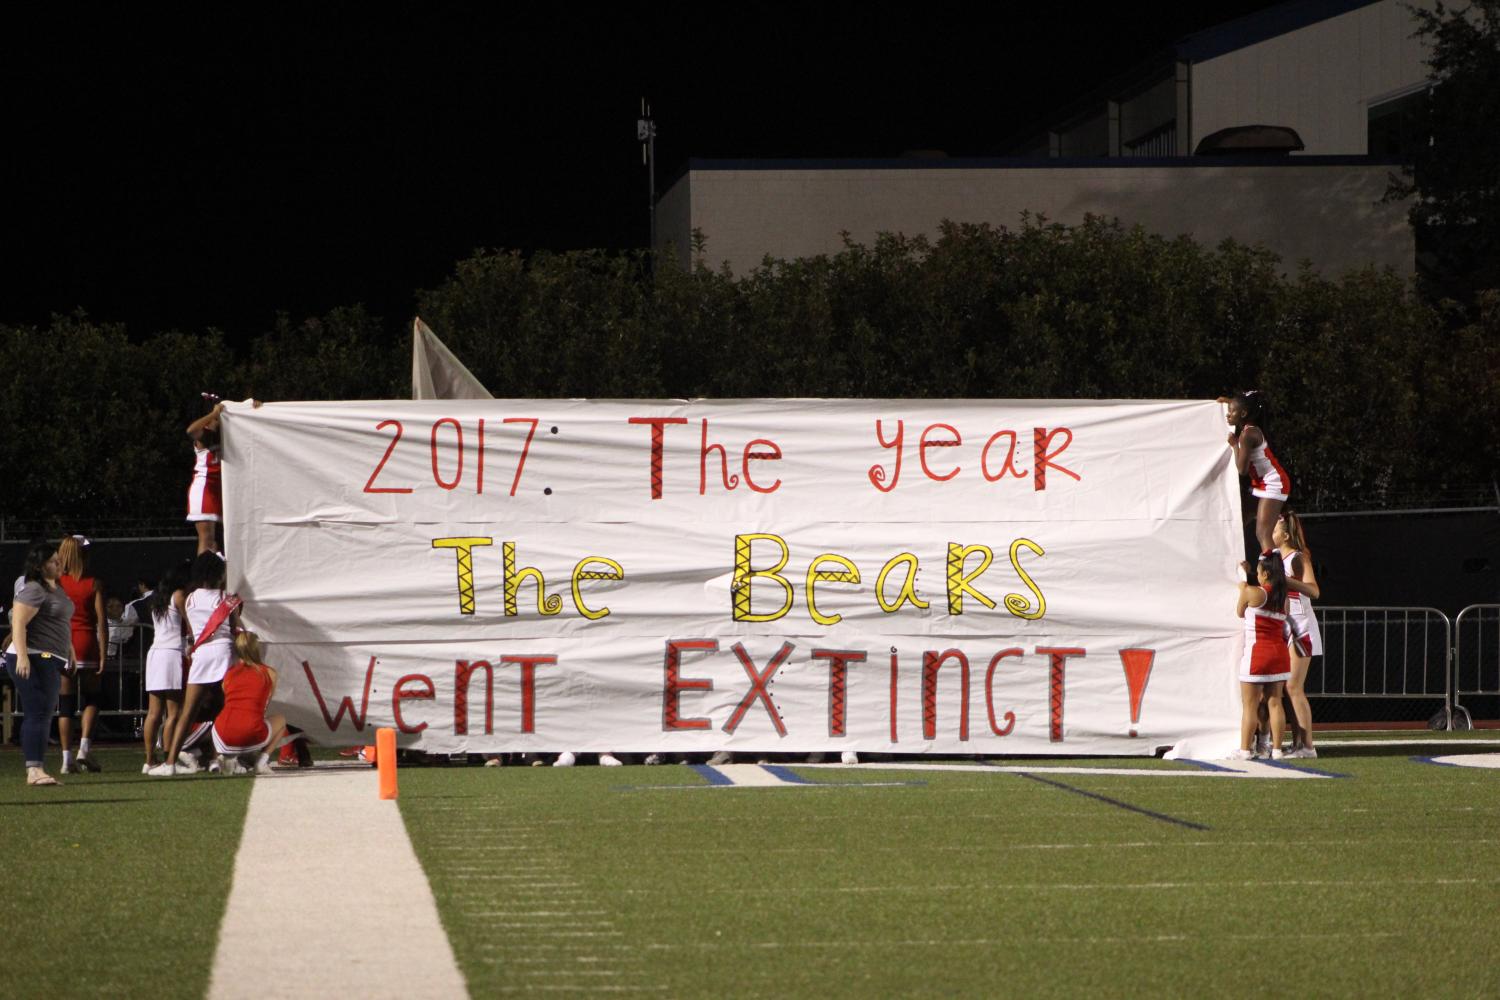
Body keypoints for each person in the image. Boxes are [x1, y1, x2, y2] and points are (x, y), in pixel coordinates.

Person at [152, 552, 240, 777]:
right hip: (225, 653)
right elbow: (234, 626)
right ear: (220, 574)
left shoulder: (189, 598)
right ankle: (224, 760)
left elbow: (193, 629)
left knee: (187, 713)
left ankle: (170, 763)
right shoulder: (227, 597)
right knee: (225, 710)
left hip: (202, 656)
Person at [2, 541, 75, 786]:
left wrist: (70, 650)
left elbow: (60, 623)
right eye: (54, 561)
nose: (59, 564)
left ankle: (36, 767)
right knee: (38, 711)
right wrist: (22, 655)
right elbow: (19, 623)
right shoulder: (34, 589)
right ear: (41, 565)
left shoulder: (57, 589)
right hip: (35, 656)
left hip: (50, 657)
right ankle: (34, 769)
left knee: (43, 712)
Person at [1229, 552, 1292, 760]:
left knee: (1250, 705)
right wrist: (1248, 575)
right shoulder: (1284, 598)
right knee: (1275, 702)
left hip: (1257, 654)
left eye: (1258, 572)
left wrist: (1242, 586)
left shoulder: (1252, 593)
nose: (1256, 575)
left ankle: (1245, 750)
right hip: (1279, 654)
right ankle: (1275, 750)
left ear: (1265, 573)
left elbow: (1240, 611)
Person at [56, 534, 107, 774]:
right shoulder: (93, 583)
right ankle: (84, 747)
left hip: (63, 645)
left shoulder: (56, 583)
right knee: (92, 698)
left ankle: (66, 759)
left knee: (65, 704)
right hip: (86, 643)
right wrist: (104, 653)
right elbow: (102, 622)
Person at [1275, 510, 1322, 758]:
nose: (1271, 533)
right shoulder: (1276, 559)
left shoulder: (1297, 558)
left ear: (1284, 535)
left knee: (1294, 686)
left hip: (1300, 626)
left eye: (1274, 529)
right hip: (1287, 626)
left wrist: (1287, 582)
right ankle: (1297, 744)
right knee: (1287, 688)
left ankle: (1308, 746)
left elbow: (1314, 591)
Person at [1223, 390, 1291, 556]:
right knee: (1239, 519)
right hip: (1261, 484)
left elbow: (1242, 469)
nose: (1227, 414)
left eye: (1232, 411)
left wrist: (1234, 446)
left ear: (1244, 413)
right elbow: (1240, 404)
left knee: (1263, 533)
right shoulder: (1247, 428)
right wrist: (1226, 401)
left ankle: (1275, 575)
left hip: (1273, 483)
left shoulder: (1247, 435)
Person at [211, 631, 287, 776]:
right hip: (251, 731)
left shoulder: (228, 674)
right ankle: (261, 762)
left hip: (221, 734)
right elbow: (263, 705)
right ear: (257, 648)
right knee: (281, 720)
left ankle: (229, 757)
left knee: (231, 716)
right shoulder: (270, 673)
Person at [142, 560, 190, 773]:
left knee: (153, 713)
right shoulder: (179, 595)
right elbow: (190, 624)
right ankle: (169, 758)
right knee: (173, 713)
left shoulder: (155, 598)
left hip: (155, 653)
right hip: (171, 654)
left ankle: (149, 760)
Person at [186, 396, 226, 555]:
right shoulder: (204, 435)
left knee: (216, 544)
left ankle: (211, 577)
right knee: (207, 540)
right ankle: (201, 579)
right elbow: (191, 430)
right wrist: (213, 414)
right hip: (204, 489)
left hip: (218, 491)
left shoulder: (224, 432)